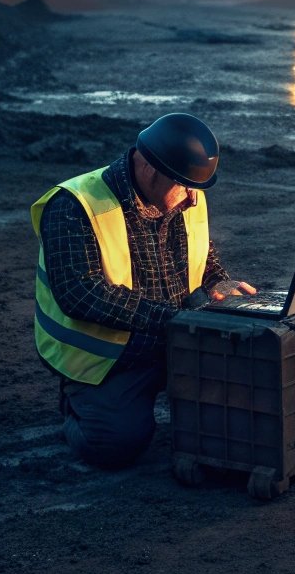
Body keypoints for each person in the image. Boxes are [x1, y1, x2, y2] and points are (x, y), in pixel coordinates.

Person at [31, 112, 255, 468]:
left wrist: (217, 280)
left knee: (250, 400)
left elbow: (201, 252)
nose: (192, 197)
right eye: (184, 185)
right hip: (108, 361)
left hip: (174, 339)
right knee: (114, 444)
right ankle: (76, 405)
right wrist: (175, 320)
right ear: (149, 167)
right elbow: (81, 294)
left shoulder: (184, 190)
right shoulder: (75, 206)